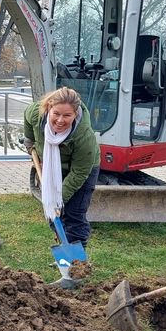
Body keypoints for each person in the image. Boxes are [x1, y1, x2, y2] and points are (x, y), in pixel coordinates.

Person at [23, 86, 100, 251]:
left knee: (73, 214)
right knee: (52, 213)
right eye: (56, 113)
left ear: (76, 114)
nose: (60, 120)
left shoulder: (83, 135)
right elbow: (27, 117)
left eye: (67, 115)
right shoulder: (37, 113)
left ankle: (76, 264)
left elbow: (79, 173)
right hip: (52, 166)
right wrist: (29, 139)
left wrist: (59, 199)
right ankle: (64, 251)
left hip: (81, 170)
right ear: (49, 108)